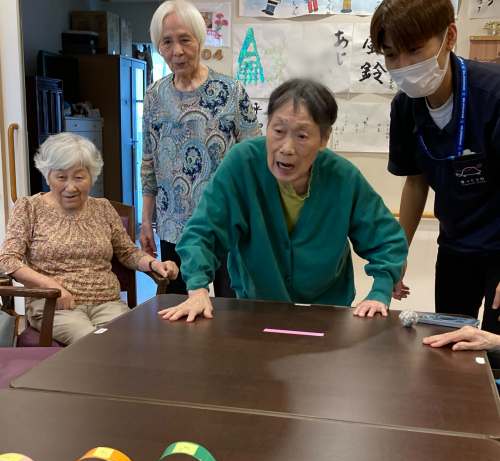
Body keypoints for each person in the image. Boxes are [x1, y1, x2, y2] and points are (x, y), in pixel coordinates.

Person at [158, 79, 408, 323]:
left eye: (302, 136)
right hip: (257, 307)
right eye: (278, 131)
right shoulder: (242, 164)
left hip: (327, 311)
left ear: (324, 138)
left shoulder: (343, 177)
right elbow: (204, 232)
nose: (287, 148)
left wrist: (380, 292)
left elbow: (386, 239)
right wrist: (198, 289)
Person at [371, 0, 500, 334]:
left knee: (494, 345)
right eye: (391, 55)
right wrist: (399, 252)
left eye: (414, 49)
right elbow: (416, 182)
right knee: (449, 340)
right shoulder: (404, 108)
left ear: (449, 37)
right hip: (456, 245)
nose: (403, 65)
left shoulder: (492, 94)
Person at [0, 133, 178, 346]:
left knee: (133, 342)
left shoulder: (103, 208)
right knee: (95, 344)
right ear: (47, 177)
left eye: (79, 177)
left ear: (91, 178)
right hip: (55, 304)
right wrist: (51, 286)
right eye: (61, 177)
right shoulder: (29, 208)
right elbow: (7, 260)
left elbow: (127, 252)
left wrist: (155, 264)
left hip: (108, 303)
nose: (70, 187)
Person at [140, 0, 261, 298]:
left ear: (200, 39)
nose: (177, 51)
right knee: (178, 310)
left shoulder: (230, 91)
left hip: (226, 224)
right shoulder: (153, 95)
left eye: (185, 40)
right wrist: (146, 222)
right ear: (158, 46)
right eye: (167, 42)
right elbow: (149, 164)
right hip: (173, 228)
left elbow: (256, 158)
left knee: (232, 308)